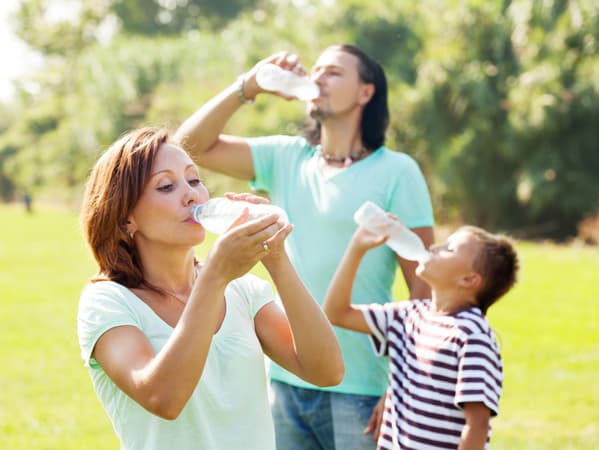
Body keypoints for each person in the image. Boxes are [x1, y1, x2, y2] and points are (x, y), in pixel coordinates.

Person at [174, 44, 435, 449]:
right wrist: (249, 86)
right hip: (284, 375)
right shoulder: (285, 157)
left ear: (365, 92)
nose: (318, 79)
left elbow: (423, 288)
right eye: (315, 71)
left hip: (362, 384)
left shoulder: (398, 171)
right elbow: (187, 147)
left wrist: (405, 387)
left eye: (332, 72)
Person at [77, 127, 344, 450]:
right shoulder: (108, 302)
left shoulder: (243, 290)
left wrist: (276, 260)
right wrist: (214, 277)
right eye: (166, 186)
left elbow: (326, 370)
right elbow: (164, 398)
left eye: (194, 180)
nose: (192, 195)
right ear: (125, 221)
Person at [323, 223, 519, 450]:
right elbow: (336, 313)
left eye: (449, 249)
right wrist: (357, 248)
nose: (434, 247)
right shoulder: (407, 315)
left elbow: (476, 425)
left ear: (468, 280)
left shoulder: (472, 335)